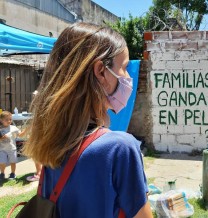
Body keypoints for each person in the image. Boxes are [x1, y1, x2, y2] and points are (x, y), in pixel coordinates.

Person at [22, 22, 152, 218]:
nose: (127, 77)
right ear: (101, 71)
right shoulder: (119, 148)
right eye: (124, 67)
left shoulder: (51, 142)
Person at [0, 111, 27, 180]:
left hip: (12, 149)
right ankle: (2, 173)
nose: (9, 121)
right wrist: (2, 138)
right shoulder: (0, 129)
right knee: (2, 162)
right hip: (2, 149)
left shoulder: (13, 128)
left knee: (13, 162)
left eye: (10, 119)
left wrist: (25, 130)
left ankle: (13, 173)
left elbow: (20, 135)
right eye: (6, 120)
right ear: (1, 120)